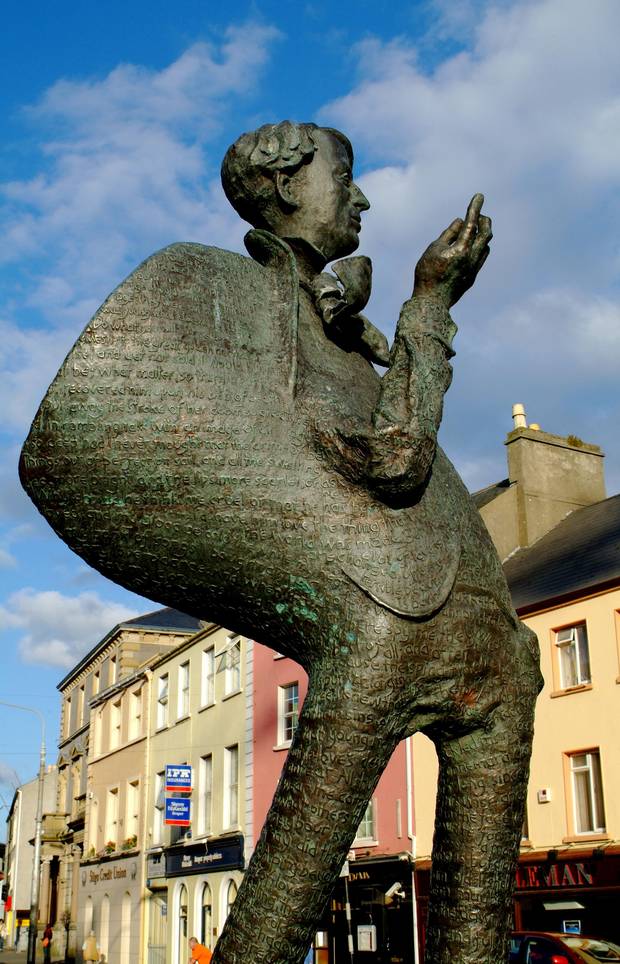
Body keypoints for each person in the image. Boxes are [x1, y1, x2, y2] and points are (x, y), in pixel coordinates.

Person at [20, 120, 543, 964]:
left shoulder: (330, 328)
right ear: (286, 185)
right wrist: (431, 303)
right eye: (349, 175)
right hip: (400, 621)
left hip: (455, 627)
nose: (364, 197)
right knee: (302, 922)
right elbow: (400, 463)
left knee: (320, 921)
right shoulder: (258, 310)